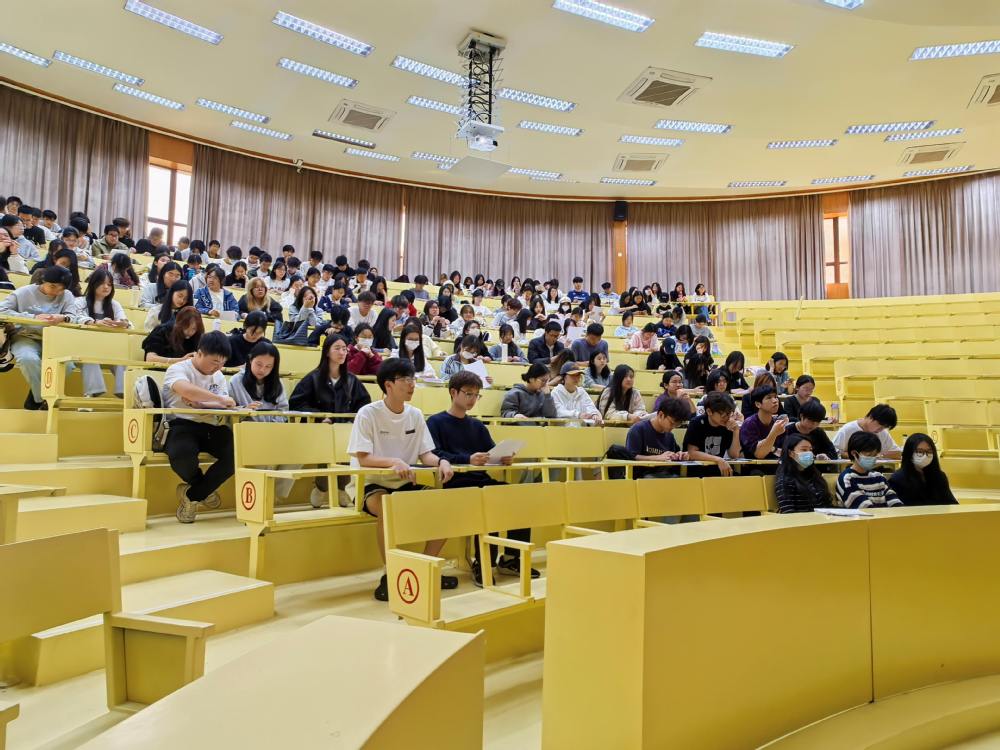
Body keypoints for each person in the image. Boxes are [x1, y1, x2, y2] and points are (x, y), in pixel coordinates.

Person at [348, 358, 455, 601]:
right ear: (388, 385)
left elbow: (426, 454)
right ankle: (391, 573)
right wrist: (393, 462)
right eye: (406, 380)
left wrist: (442, 461)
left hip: (405, 483)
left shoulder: (415, 415)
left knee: (445, 507)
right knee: (388, 508)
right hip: (370, 483)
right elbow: (363, 458)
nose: (412, 384)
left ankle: (426, 568)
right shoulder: (368, 413)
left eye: (413, 379)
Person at [427, 371, 535, 586]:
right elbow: (434, 454)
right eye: (468, 393)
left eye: (476, 395)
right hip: (455, 483)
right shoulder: (436, 422)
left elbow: (490, 452)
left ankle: (511, 558)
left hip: (481, 480)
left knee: (519, 496)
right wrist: (467, 459)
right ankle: (484, 562)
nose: (473, 399)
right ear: (453, 392)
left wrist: (503, 458)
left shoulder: (476, 425)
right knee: (488, 500)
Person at [163, 331, 235, 523]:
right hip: (181, 424)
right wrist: (218, 400)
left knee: (238, 453)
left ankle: (193, 494)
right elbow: (186, 390)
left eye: (222, 363)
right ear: (200, 353)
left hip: (210, 425)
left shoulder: (218, 376)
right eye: (214, 362)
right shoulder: (178, 369)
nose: (218, 368)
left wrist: (203, 404)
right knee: (181, 455)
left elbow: (224, 405)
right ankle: (203, 488)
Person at [0, 266, 86, 408]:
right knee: (28, 359)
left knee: (68, 365)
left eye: (61, 289)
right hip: (25, 336)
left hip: (53, 339)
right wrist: (32, 317)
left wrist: (63, 317)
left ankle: (34, 399)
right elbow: (1, 310)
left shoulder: (67, 295)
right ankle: (41, 400)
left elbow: (74, 316)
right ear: (43, 281)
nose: (57, 292)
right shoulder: (24, 292)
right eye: (53, 286)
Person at [70, 268, 132, 397]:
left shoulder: (115, 304)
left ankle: (124, 393)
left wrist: (123, 324)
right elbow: (76, 318)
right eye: (102, 283)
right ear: (93, 283)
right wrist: (94, 323)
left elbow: (126, 321)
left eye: (109, 284)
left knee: (123, 357)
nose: (106, 287)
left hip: (108, 347)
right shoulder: (80, 301)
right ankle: (93, 392)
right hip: (82, 345)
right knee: (89, 355)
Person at [624, 397, 691, 478]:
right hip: (642, 476)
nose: (674, 427)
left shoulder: (669, 436)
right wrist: (658, 458)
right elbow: (631, 457)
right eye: (672, 423)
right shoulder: (638, 429)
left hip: (664, 475)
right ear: (661, 415)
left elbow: (673, 455)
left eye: (677, 425)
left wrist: (680, 455)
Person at [837, 431, 902, 509]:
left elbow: (895, 502)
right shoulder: (847, 478)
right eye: (869, 455)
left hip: (883, 515)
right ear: (854, 453)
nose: (873, 458)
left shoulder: (879, 477)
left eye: (875, 455)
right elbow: (863, 508)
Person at [683, 391, 743, 476]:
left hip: (719, 470)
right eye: (723, 415)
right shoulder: (696, 423)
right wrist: (718, 459)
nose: (727, 418)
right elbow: (692, 453)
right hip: (698, 471)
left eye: (729, 414)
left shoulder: (728, 425)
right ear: (709, 411)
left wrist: (736, 431)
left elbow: (734, 455)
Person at [889, 433, 957, 506]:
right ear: (909, 453)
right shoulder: (897, 479)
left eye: (929, 451)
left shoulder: (940, 476)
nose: (925, 456)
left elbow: (951, 502)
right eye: (920, 451)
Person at [228, 341, 289, 420]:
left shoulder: (278, 383)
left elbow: (283, 412)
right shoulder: (236, 381)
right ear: (250, 360)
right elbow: (228, 412)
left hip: (272, 427)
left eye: (268, 366)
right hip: (244, 426)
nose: (262, 370)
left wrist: (270, 426)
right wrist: (243, 410)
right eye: (259, 364)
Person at [775, 433, 834, 513]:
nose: (809, 453)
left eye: (810, 450)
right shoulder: (785, 480)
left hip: (823, 518)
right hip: (802, 520)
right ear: (790, 453)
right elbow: (788, 512)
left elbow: (827, 505)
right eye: (804, 450)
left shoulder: (815, 475)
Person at [833, 404, 901, 459]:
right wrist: (859, 457)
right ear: (871, 417)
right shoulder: (847, 430)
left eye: (884, 427)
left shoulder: (883, 432)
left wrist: (878, 455)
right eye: (880, 425)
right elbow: (834, 452)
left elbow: (897, 453)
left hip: (877, 469)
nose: (880, 429)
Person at [780, 398, 837, 463]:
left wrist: (825, 456)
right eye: (811, 421)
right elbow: (779, 454)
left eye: (818, 422)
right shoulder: (786, 431)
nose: (814, 425)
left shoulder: (819, 432)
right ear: (801, 416)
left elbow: (833, 454)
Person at [739, 385, 789, 459]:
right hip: (755, 465)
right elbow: (759, 454)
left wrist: (773, 449)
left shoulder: (778, 423)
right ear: (758, 404)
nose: (775, 401)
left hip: (776, 464)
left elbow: (784, 452)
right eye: (769, 398)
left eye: (775, 397)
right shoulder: (749, 424)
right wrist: (774, 433)